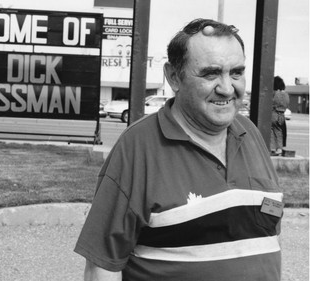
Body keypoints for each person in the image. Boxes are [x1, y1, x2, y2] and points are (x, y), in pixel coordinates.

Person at [74, 18, 283, 280]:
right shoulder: (137, 148)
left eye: (237, 72)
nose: (227, 88)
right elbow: (102, 267)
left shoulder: (250, 134)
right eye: (211, 73)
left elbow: (266, 235)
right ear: (174, 76)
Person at [271, 76, 290, 156]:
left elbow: (272, 104)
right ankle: (279, 149)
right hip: (282, 115)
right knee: (279, 132)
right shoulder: (286, 95)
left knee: (271, 130)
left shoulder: (275, 93)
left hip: (274, 114)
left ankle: (271, 148)